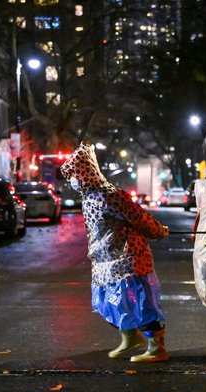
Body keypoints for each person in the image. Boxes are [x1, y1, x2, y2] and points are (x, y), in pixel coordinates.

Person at [60, 142, 170, 363]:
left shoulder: (110, 195)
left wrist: (158, 231)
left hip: (129, 261)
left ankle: (156, 348)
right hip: (104, 263)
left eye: (74, 174)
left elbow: (139, 218)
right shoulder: (89, 198)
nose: (72, 180)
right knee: (109, 304)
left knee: (141, 304)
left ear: (85, 173)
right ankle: (130, 338)